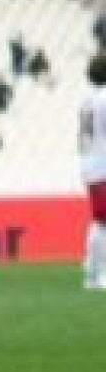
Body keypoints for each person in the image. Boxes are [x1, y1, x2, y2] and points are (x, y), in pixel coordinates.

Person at [82, 52, 106, 290]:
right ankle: (98, 274)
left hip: (92, 163)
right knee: (103, 222)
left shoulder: (88, 98)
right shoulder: (104, 98)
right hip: (102, 165)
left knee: (100, 221)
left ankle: (92, 269)